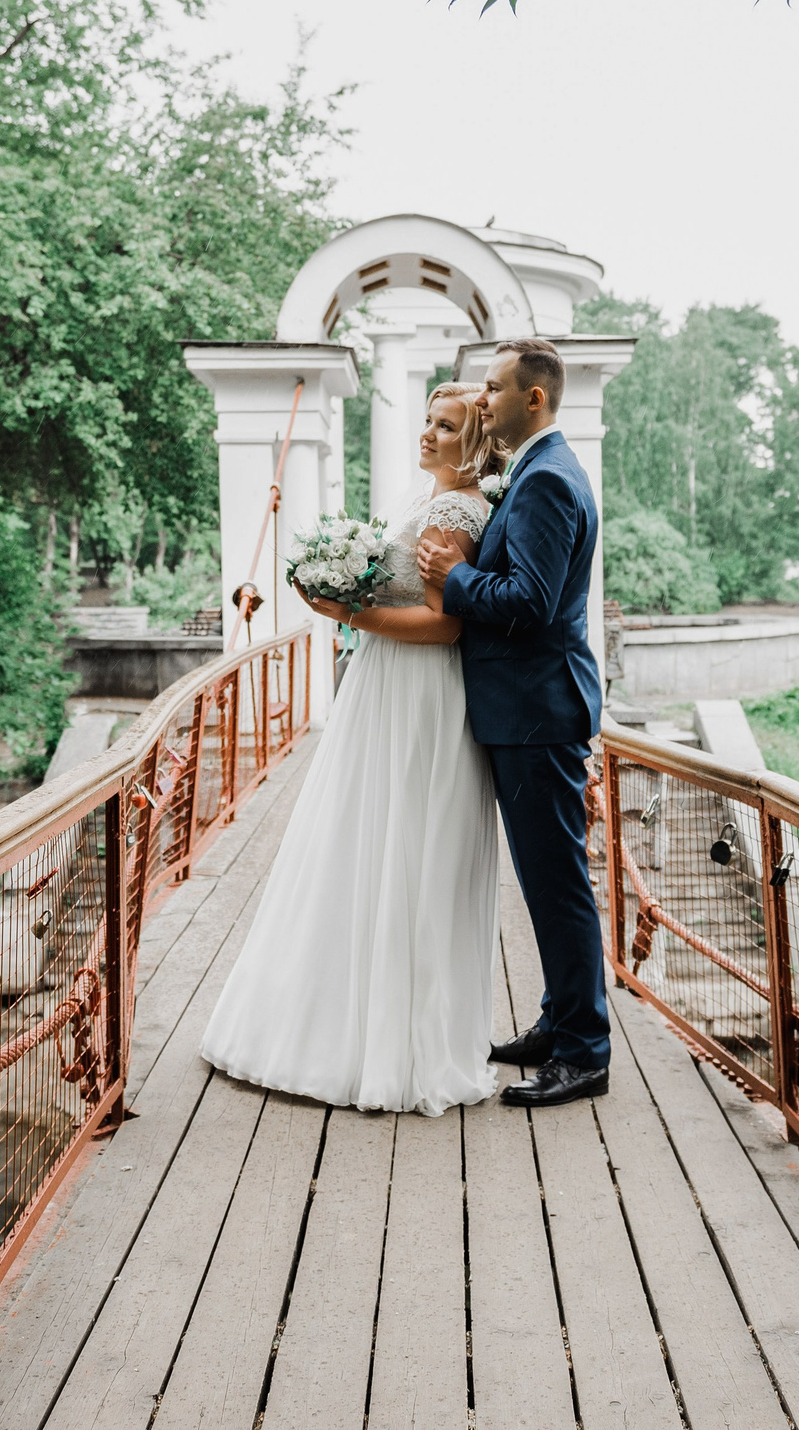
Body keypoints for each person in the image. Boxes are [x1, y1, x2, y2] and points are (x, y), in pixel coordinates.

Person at [198, 384, 503, 1114]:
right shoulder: (428, 500)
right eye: (426, 420)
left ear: (474, 442)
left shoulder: (458, 513)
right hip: (385, 683)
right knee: (365, 834)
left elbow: (446, 624)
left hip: (418, 689)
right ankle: (345, 1020)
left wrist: (349, 613)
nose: (426, 434)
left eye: (446, 426)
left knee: (401, 839)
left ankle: (386, 1042)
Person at [419, 338, 612, 1108]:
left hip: (538, 713)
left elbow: (529, 603)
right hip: (527, 712)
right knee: (546, 883)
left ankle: (585, 1053)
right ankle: (559, 1022)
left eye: (494, 387)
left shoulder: (546, 480)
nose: (482, 398)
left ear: (534, 397)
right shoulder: (534, 471)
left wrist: (454, 577)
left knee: (559, 887)